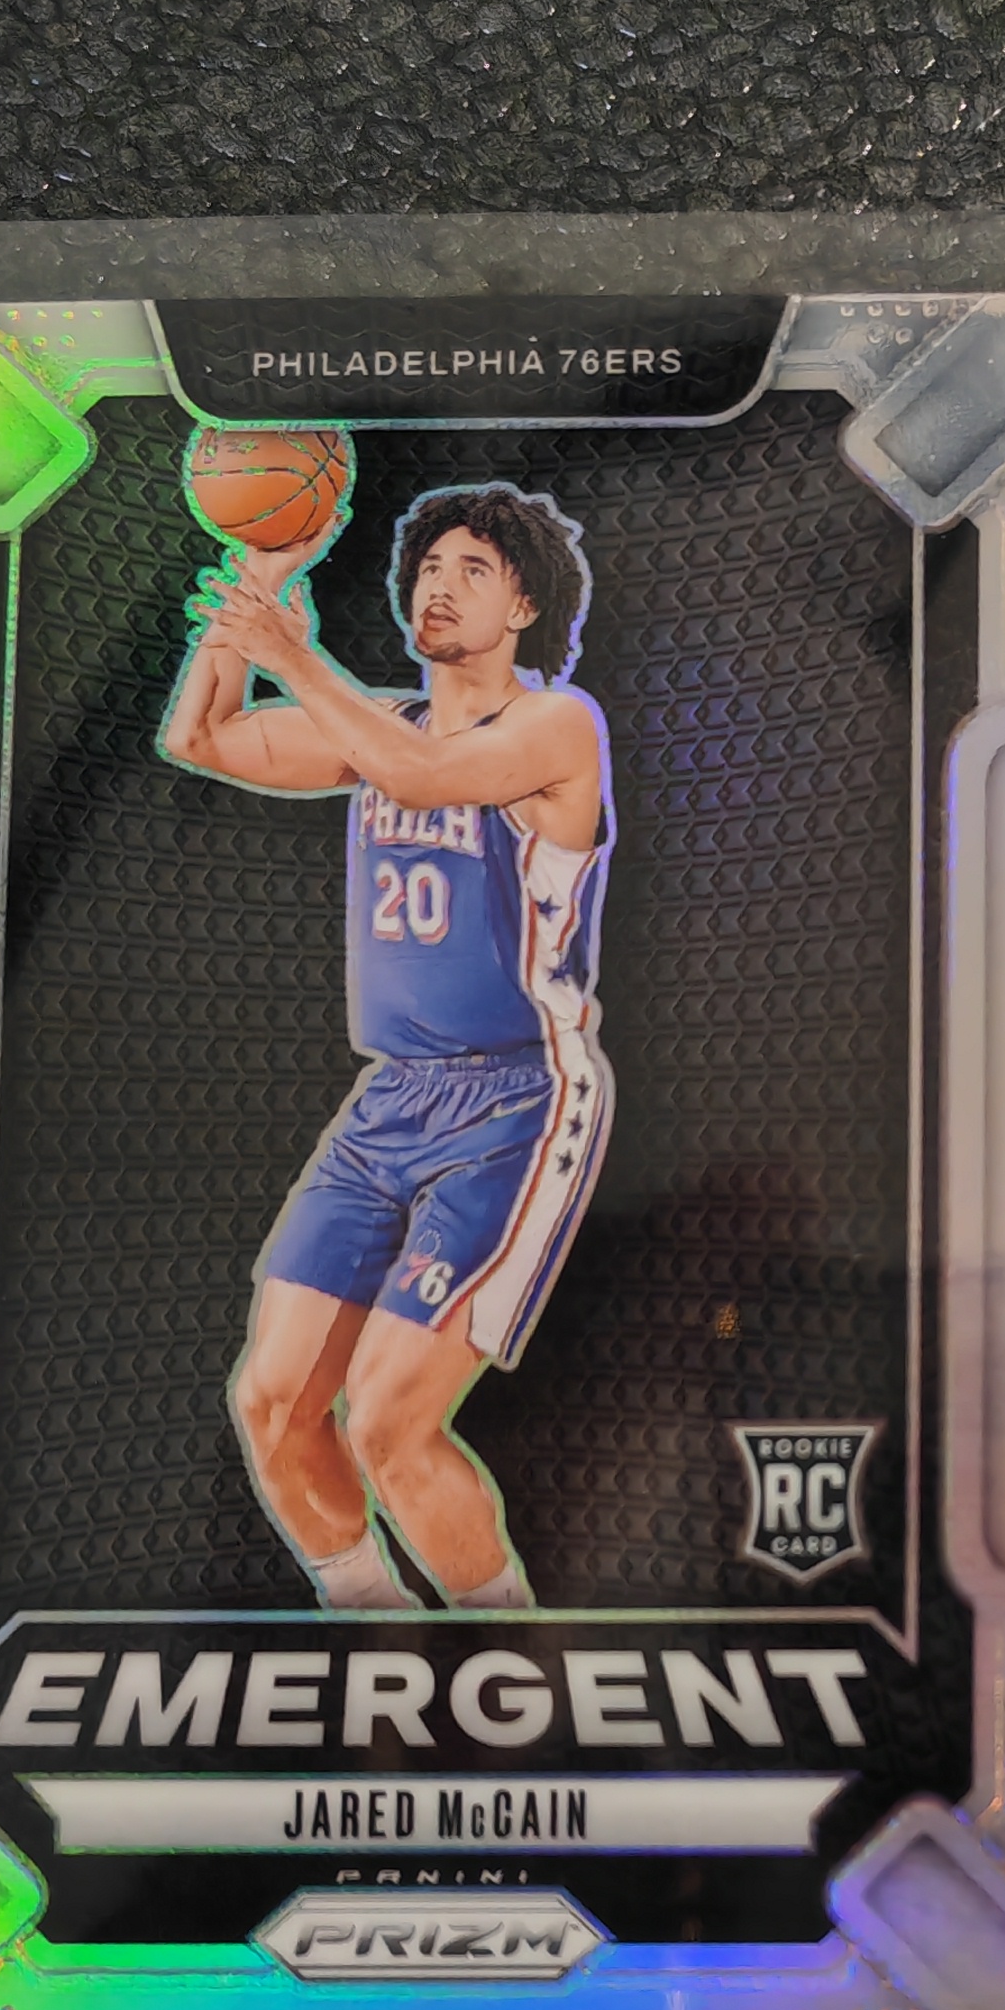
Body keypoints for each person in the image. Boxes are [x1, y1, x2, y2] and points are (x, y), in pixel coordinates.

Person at [158, 479, 613, 1613]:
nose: (439, 586)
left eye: (473, 570)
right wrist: (259, 583)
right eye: (429, 568)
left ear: (523, 606)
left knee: (390, 1425)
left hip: (518, 1102)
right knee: (271, 1404)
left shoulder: (558, 724)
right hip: (392, 1098)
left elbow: (421, 777)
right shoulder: (382, 725)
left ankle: (512, 1661)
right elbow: (197, 735)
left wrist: (294, 654)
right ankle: (374, 1631)